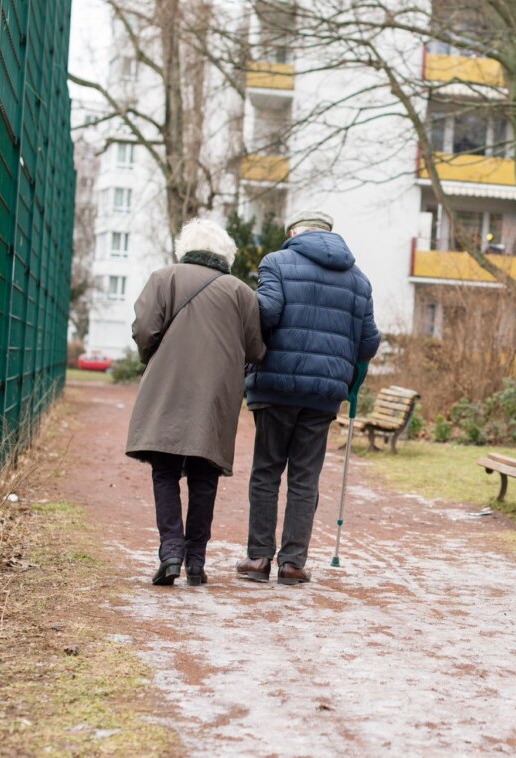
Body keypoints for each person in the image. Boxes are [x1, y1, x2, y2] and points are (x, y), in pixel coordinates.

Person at [236, 209, 380, 585]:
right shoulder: (358, 280)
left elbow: (265, 313)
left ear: (293, 232)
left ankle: (258, 558)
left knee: (267, 470)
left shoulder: (276, 262)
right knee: (305, 477)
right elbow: (369, 341)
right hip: (324, 394)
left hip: (275, 386)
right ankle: (293, 563)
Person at [126, 218, 265, 587]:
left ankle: (171, 550)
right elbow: (256, 349)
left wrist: (153, 356)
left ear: (184, 247)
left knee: (165, 469)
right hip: (217, 393)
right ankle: (197, 561)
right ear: (226, 254)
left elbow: (143, 330)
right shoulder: (241, 292)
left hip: (168, 384)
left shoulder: (163, 277)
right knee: (205, 475)